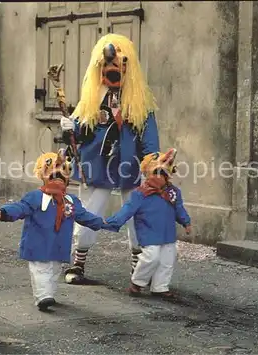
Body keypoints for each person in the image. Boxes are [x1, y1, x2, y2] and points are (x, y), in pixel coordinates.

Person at [59, 33, 160, 284]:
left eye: (118, 66)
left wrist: (153, 163)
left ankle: (139, 268)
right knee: (88, 211)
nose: (112, 72)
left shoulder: (139, 103)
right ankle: (78, 262)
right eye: (107, 66)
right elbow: (81, 132)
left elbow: (149, 138)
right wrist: (70, 128)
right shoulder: (92, 98)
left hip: (130, 165)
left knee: (137, 213)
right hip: (97, 163)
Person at [0, 150, 106, 311]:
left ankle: (48, 293)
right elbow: (20, 208)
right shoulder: (34, 197)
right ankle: (43, 296)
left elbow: (83, 216)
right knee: (41, 270)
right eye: (52, 173)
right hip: (38, 243)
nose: (58, 177)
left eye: (62, 173)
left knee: (54, 270)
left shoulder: (70, 200)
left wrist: (102, 222)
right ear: (43, 176)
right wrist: (4, 212)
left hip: (58, 245)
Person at [104, 149, 192, 298]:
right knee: (151, 256)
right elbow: (127, 210)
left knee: (167, 259)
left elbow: (179, 208)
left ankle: (160, 286)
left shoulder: (173, 192)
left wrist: (186, 222)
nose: (159, 177)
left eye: (162, 174)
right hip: (148, 230)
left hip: (167, 231)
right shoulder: (140, 193)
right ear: (147, 174)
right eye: (155, 173)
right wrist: (113, 221)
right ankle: (137, 282)